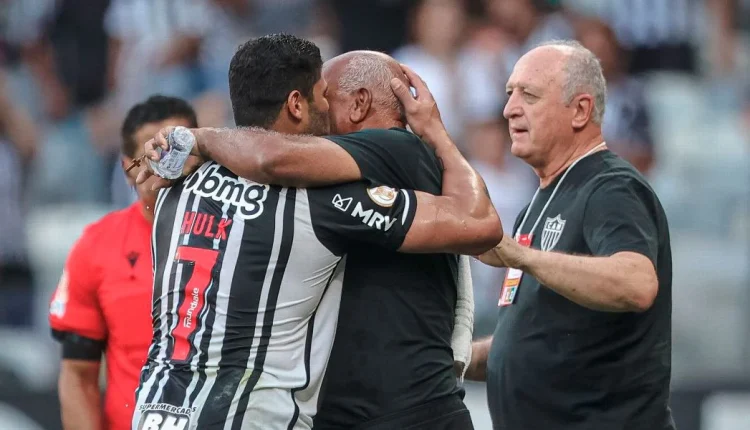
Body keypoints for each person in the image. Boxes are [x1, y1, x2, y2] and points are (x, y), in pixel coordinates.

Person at [134, 35, 499, 430]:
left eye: (330, 95)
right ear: (295, 103)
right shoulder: (312, 195)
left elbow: (265, 159)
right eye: (320, 96)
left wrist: (198, 139)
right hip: (270, 412)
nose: (324, 110)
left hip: (160, 407)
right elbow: (268, 158)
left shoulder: (175, 189)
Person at [463, 40, 675, 430]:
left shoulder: (610, 186)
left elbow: (637, 283)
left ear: (580, 110)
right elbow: (530, 340)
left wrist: (518, 255)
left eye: (529, 95)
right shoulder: (538, 206)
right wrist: (452, 359)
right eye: (509, 94)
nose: (509, 109)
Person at [48, 96, 199, 430]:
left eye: (182, 153)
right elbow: (78, 375)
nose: (172, 169)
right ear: (129, 166)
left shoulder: (246, 230)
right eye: (156, 155)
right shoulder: (97, 246)